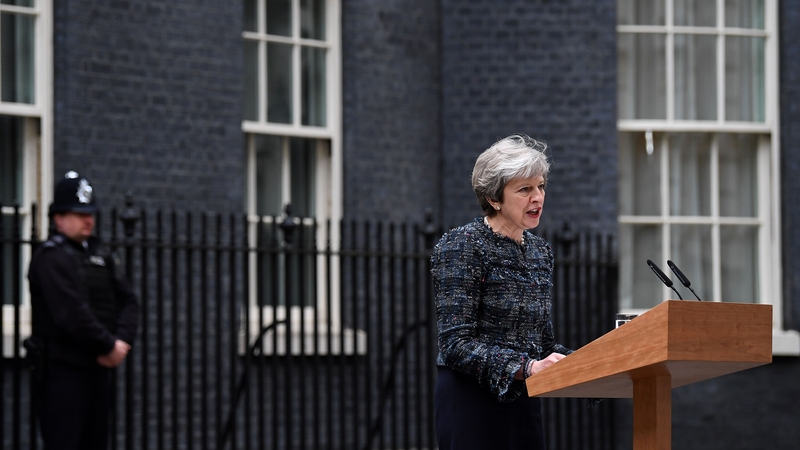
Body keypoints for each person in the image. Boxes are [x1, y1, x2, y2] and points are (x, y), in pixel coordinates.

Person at [432, 134, 572, 449]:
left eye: (541, 186)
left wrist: (597, 359)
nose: (538, 197)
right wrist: (526, 367)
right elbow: (455, 344)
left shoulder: (539, 251)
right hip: (470, 400)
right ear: (495, 198)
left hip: (522, 400)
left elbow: (542, 344)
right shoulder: (462, 245)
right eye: (524, 189)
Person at [27, 171, 139, 450]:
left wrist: (121, 342)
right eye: (79, 213)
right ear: (59, 218)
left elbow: (129, 299)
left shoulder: (100, 253)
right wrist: (108, 345)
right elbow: (72, 315)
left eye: (90, 213)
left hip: (97, 372)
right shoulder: (51, 258)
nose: (88, 219)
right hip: (63, 374)